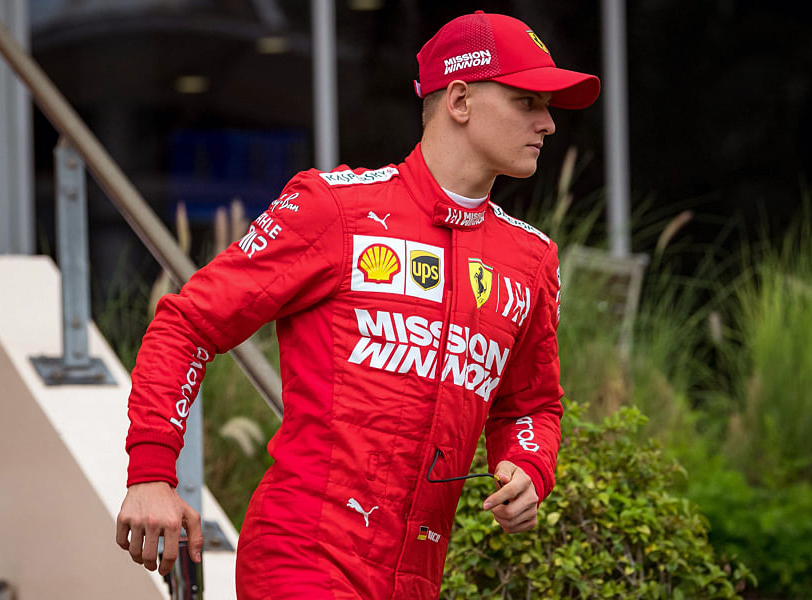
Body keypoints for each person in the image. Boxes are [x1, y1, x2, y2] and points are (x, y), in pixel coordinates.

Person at [116, 10, 599, 599]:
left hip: (416, 577)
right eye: (528, 101)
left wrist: (528, 467)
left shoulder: (530, 258)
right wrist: (150, 471)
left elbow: (532, 407)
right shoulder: (333, 209)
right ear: (461, 100)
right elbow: (186, 323)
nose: (548, 123)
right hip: (303, 559)